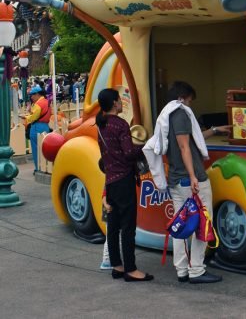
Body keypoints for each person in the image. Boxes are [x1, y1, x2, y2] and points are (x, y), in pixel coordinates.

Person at [143, 81, 232, 284]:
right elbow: (184, 146)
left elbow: (191, 139)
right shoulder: (181, 114)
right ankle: (197, 269)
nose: (190, 105)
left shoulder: (167, 115)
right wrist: (193, 176)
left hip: (176, 179)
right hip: (190, 180)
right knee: (201, 221)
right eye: (190, 100)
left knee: (180, 225)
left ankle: (182, 269)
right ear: (183, 97)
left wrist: (216, 130)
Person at [96, 88, 153, 282]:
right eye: (119, 100)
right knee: (128, 226)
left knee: (113, 226)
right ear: (114, 103)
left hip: (111, 181)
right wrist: (146, 147)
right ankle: (131, 269)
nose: (121, 103)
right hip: (123, 180)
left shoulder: (101, 126)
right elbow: (128, 152)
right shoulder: (119, 124)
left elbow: (106, 157)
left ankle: (117, 266)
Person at [24, 85, 51, 173]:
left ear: (37, 94)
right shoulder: (46, 101)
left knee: (36, 149)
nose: (31, 97)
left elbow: (34, 117)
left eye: (32, 95)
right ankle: (46, 166)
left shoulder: (38, 104)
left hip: (36, 126)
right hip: (45, 126)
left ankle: (38, 168)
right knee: (45, 148)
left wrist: (26, 118)